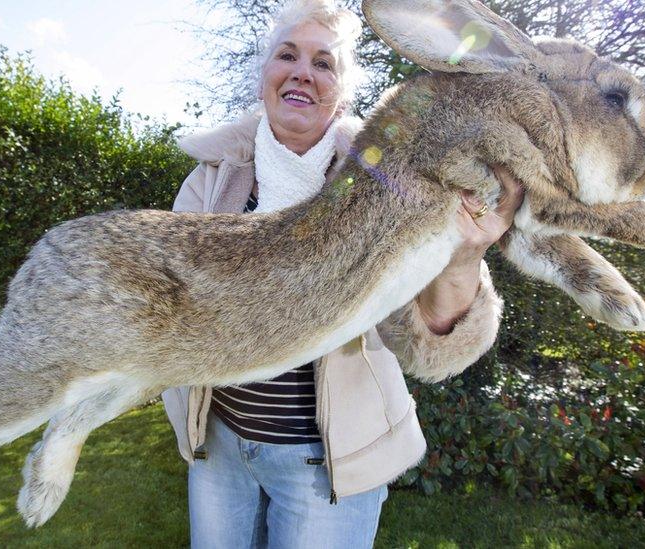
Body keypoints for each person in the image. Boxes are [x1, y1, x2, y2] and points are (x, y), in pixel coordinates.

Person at [161, 1, 524, 547]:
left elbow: (431, 334)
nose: (303, 71)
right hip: (220, 448)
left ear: (342, 92)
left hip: (327, 465)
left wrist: (465, 256)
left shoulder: (393, 182)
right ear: (266, 76)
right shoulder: (211, 180)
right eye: (288, 55)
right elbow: (173, 302)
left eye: (323, 63)